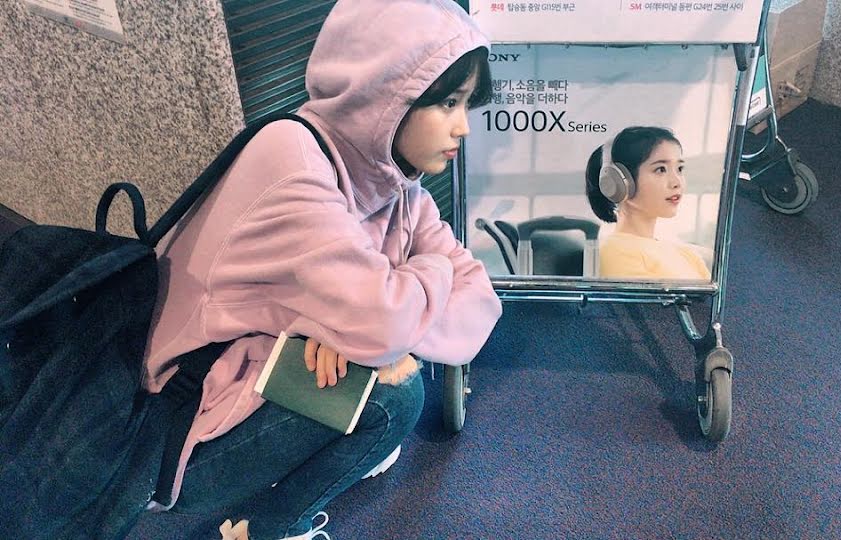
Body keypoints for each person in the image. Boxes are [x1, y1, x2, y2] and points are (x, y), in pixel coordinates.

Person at [141, 0, 503, 537]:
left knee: (380, 368)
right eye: (449, 103)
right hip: (172, 428)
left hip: (247, 373)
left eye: (467, 104)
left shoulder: (395, 183)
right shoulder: (292, 161)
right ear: (384, 91)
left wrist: (359, 331)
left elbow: (480, 301)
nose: (464, 127)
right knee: (393, 400)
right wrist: (395, 305)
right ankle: (267, 529)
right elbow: (385, 320)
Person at [584, 126, 711, 281]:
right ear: (620, 182)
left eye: (679, 168)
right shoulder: (615, 252)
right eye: (661, 169)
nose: (677, 182)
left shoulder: (686, 254)